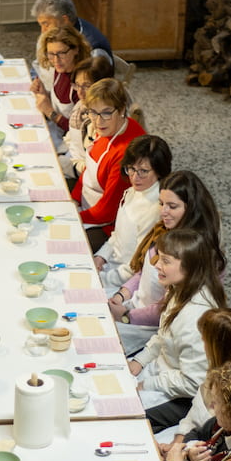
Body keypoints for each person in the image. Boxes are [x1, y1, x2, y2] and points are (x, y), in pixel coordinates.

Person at [109, 170, 225, 355]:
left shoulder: (196, 252)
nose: (163, 212)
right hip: (134, 306)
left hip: (150, 327)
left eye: (172, 206)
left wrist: (125, 316)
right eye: (161, 203)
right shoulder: (165, 229)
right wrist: (122, 294)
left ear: (191, 208)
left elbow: (169, 307)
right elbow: (144, 269)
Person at [127, 227, 227, 427]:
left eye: (166, 261)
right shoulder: (179, 289)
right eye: (159, 258)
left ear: (189, 267)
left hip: (177, 396)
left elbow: (192, 382)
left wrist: (146, 384)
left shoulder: (195, 318)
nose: (157, 266)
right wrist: (140, 360)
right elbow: (164, 334)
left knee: (123, 419)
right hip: (161, 374)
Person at [158, 308, 231, 450]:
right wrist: (177, 444)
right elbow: (196, 412)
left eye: (205, 341)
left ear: (219, 348)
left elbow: (221, 441)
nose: (203, 347)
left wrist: (182, 451)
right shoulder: (217, 371)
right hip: (194, 440)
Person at [72, 78, 146, 251]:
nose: (98, 121)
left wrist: (73, 217)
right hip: (88, 207)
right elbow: (88, 171)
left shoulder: (126, 153)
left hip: (107, 227)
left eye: (106, 113)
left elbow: (107, 212)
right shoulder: (107, 129)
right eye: (93, 112)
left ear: (121, 110)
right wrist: (74, 199)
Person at [94, 135, 171, 291]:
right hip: (109, 267)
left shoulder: (155, 208)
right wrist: (100, 256)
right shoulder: (132, 191)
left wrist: (103, 278)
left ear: (159, 171)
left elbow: (137, 265)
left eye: (143, 171)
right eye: (131, 168)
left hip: (122, 283)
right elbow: (117, 235)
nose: (135, 177)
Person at [30, 25, 92, 140]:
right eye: (51, 54)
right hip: (55, 130)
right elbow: (59, 99)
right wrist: (44, 94)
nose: (56, 60)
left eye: (61, 53)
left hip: (69, 142)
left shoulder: (82, 83)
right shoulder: (61, 69)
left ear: (76, 50)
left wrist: (49, 112)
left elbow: (84, 130)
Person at [63, 54, 116, 179]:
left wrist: (70, 165)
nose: (80, 92)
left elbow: (94, 165)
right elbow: (72, 135)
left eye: (86, 86)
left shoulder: (100, 120)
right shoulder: (82, 104)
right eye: (77, 85)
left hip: (82, 172)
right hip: (72, 156)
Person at [31, 0, 112, 60]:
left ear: (65, 20)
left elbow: (96, 76)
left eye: (46, 24)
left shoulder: (93, 47)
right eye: (41, 25)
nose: (43, 31)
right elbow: (38, 65)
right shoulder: (51, 34)